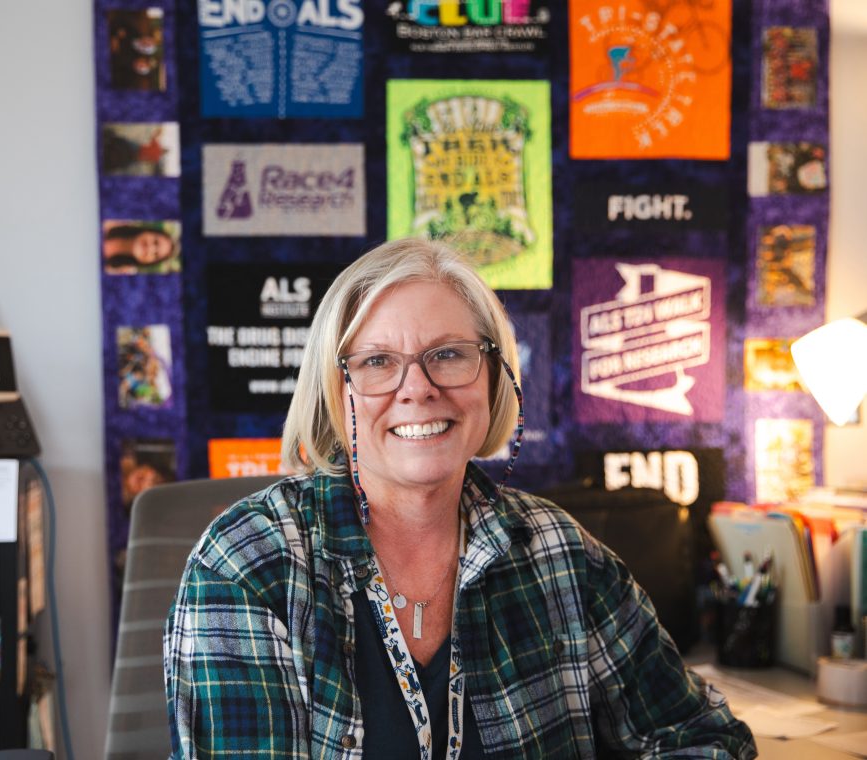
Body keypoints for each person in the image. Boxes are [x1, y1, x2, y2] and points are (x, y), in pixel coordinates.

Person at [164, 238, 755, 758]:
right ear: (332, 391)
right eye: (376, 362)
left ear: (495, 376)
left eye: (448, 354)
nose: (417, 389)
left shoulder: (560, 552)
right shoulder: (247, 563)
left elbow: (701, 735)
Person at [103, 224, 179, 274]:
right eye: (155, 242)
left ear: (149, 262)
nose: (150, 249)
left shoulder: (120, 275)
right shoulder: (111, 223)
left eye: (156, 255)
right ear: (148, 231)